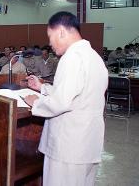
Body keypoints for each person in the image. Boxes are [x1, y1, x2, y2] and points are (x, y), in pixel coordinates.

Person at [23, 11, 108, 186]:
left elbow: (60, 102)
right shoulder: (93, 57)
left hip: (68, 146)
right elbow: (77, 95)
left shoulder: (72, 57)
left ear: (61, 32)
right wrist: (43, 87)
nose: (49, 43)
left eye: (50, 36)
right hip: (86, 142)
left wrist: (35, 102)